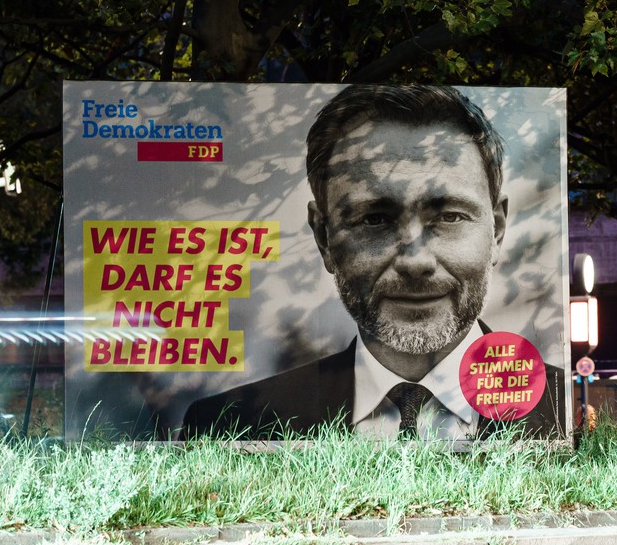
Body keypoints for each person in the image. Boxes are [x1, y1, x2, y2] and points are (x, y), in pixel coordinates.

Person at [182, 84, 565, 439]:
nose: (415, 261)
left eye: (449, 216)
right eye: (374, 219)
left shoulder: (567, 413)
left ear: (496, 230)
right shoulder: (230, 424)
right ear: (324, 237)